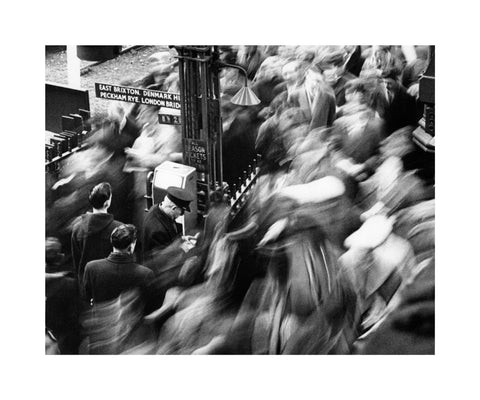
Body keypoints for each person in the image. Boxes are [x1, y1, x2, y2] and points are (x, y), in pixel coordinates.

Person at [83, 224, 154, 305]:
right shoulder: (145, 274)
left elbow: (86, 299)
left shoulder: (91, 268)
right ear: (132, 244)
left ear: (111, 241)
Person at [71, 182, 123, 289]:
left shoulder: (77, 229)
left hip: (86, 285)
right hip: (110, 285)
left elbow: (77, 263)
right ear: (107, 203)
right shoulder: (119, 229)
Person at [143, 187, 195, 258]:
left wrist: (181, 239)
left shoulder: (157, 209)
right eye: (181, 212)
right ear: (173, 208)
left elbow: (168, 237)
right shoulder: (157, 230)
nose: (182, 214)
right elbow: (161, 260)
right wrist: (181, 249)